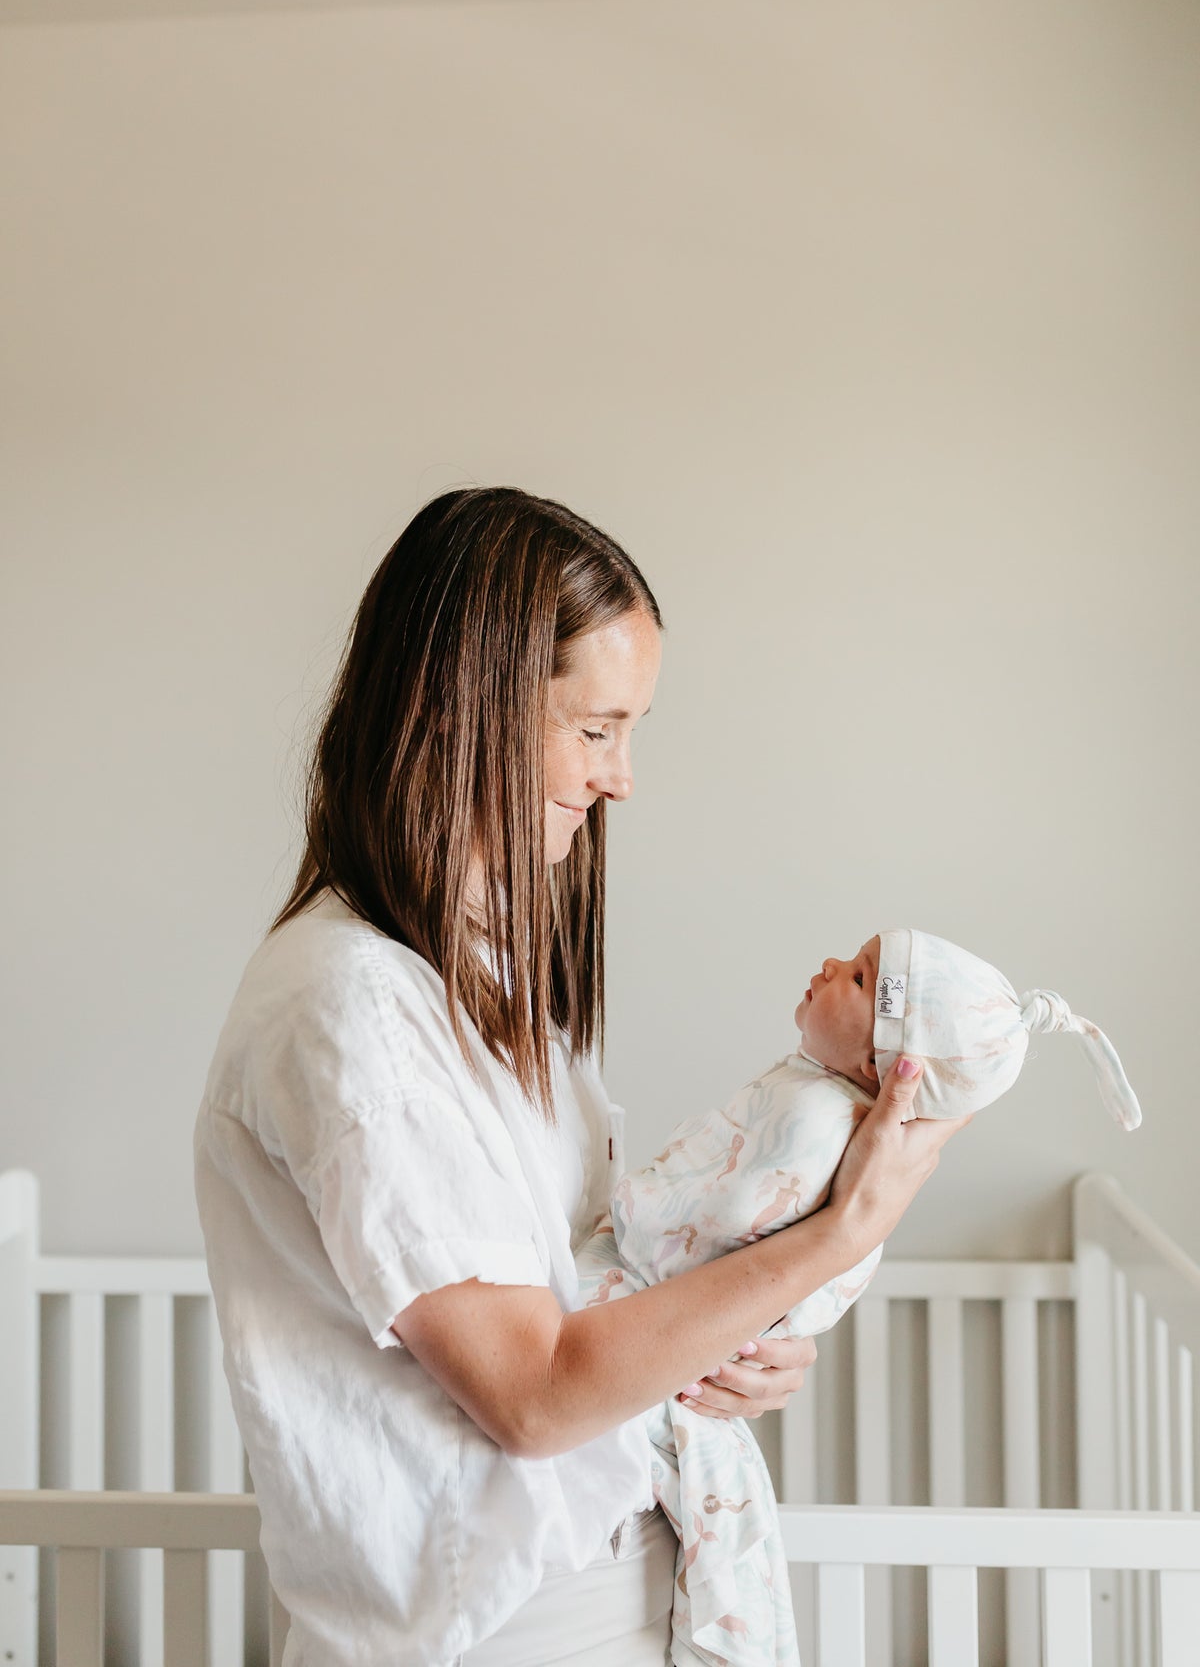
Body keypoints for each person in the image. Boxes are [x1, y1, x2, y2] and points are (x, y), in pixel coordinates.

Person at [194, 488, 967, 1667]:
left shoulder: (487, 979)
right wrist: (830, 1235)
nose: (622, 779)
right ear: (467, 711)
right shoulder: (348, 1007)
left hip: (600, 1602)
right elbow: (535, 1393)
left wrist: (731, 1334)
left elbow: (586, 1311)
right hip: (505, 1631)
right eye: (596, 730)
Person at [575, 927, 1141, 1664]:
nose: (832, 965)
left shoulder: (818, 1120)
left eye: (863, 978)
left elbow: (710, 1225)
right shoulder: (812, 1093)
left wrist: (629, 1215)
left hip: (647, 1310)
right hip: (670, 1328)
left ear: (891, 1061)